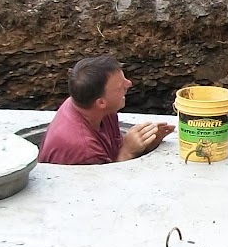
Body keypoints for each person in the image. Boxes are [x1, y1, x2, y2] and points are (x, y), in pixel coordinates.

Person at [37, 55, 174, 165]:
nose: (129, 84)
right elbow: (105, 185)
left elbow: (114, 150)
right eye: (120, 87)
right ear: (101, 102)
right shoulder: (85, 151)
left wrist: (145, 144)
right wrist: (127, 152)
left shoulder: (96, 109)